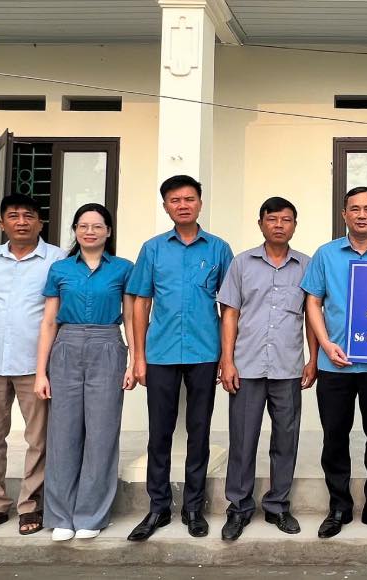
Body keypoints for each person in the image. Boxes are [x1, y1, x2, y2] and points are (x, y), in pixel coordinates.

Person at [126, 175, 234, 541]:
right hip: (161, 352)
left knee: (199, 431)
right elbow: (141, 302)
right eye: (175, 200)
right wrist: (139, 357)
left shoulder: (218, 249)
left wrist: (227, 356)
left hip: (205, 352)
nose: (183, 205)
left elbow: (230, 306)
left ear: (200, 203)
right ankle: (158, 508)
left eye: (189, 199)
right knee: (159, 433)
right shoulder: (153, 249)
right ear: (166, 206)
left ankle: (193, 507)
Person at [301, 186, 367, 539]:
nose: (362, 214)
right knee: (334, 438)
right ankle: (339, 507)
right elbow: (313, 302)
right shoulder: (326, 254)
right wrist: (325, 345)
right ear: (344, 214)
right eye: (355, 209)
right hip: (335, 364)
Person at [217, 197, 317, 541]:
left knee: (286, 440)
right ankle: (239, 507)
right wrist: (227, 360)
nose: (278, 225)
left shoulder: (306, 266)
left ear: (294, 225)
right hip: (246, 366)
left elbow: (312, 315)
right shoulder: (241, 263)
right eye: (272, 219)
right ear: (260, 224)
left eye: (286, 220)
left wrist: (312, 359)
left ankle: (277, 506)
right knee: (242, 440)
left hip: (288, 368)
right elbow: (230, 314)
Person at [34, 203, 135, 541]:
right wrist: (40, 372)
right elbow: (49, 322)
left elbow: (131, 317)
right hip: (66, 345)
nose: (89, 231)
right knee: (62, 433)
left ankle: (91, 514)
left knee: (102, 433)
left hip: (107, 344)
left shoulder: (123, 268)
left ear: (108, 231)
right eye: (83, 226)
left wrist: (135, 360)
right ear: (75, 231)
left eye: (97, 226)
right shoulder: (60, 269)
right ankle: (61, 515)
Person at [0, 193, 64, 537]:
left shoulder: (56, 259)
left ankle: (30, 504)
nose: (21, 222)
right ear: (1, 223)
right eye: (13, 216)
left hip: (35, 363)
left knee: (39, 438)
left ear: (40, 222)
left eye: (28, 216)